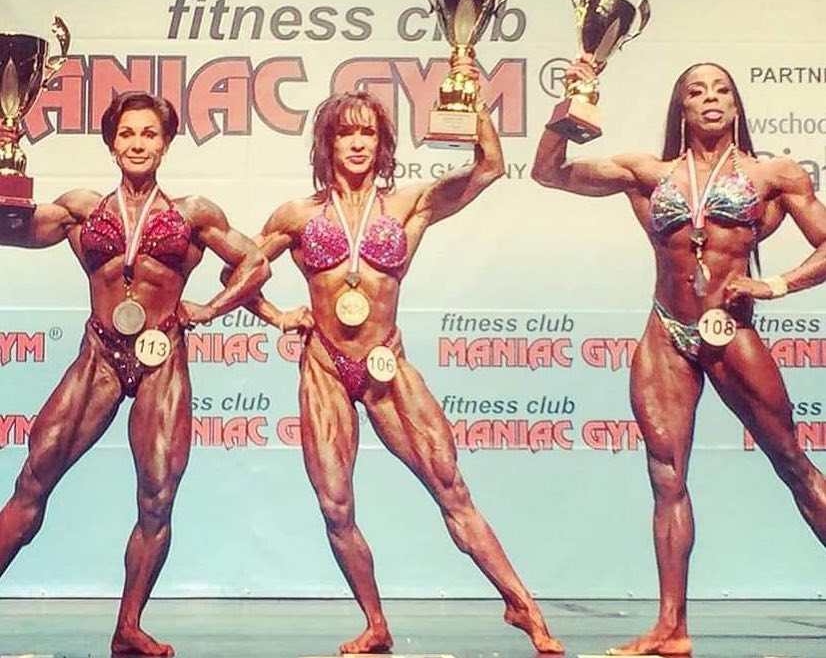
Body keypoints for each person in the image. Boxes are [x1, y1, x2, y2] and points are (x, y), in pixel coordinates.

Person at [243, 61, 563, 654]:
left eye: (367, 132)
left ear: (382, 143)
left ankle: (522, 604)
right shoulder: (297, 215)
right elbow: (240, 273)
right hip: (325, 367)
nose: (357, 143)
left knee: (450, 487)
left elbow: (489, 167)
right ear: (327, 143)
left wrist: (471, 104)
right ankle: (375, 623)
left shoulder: (409, 205)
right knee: (335, 504)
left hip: (385, 363)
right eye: (346, 132)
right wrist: (278, 315)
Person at [531, 58, 826, 656]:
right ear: (682, 108)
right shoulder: (648, 173)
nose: (710, 98)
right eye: (697, 91)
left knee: (792, 463)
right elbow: (548, 173)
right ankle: (671, 627)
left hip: (730, 330)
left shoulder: (773, 174)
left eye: (721, 90)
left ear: (736, 106)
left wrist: (774, 285)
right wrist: (572, 104)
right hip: (666, 332)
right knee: (666, 478)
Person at [0, 91, 269, 656]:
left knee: (157, 497)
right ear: (111, 144)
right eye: (127, 134)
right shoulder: (82, 209)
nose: (138, 143)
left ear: (165, 144)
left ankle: (128, 627)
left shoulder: (193, 214)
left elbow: (255, 262)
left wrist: (209, 310)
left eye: (149, 134)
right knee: (33, 478)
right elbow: (16, 229)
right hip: (99, 354)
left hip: (161, 358)